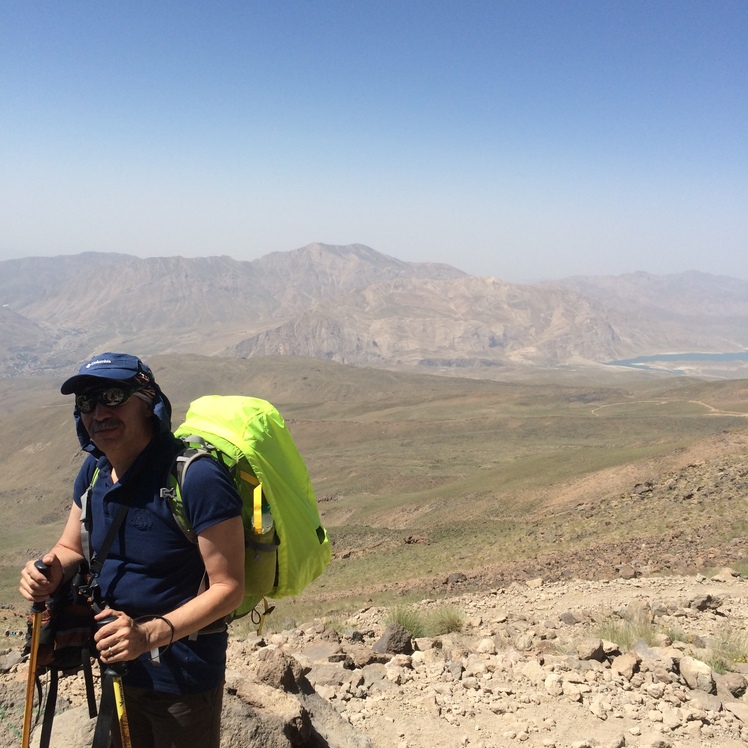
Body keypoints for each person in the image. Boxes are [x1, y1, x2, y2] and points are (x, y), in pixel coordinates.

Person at [19, 352, 244, 748]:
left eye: (113, 396)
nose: (99, 412)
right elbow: (70, 547)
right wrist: (51, 571)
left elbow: (229, 587)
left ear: (146, 401)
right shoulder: (94, 471)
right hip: (114, 662)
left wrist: (149, 633)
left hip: (182, 677)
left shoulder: (196, 477)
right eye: (87, 403)